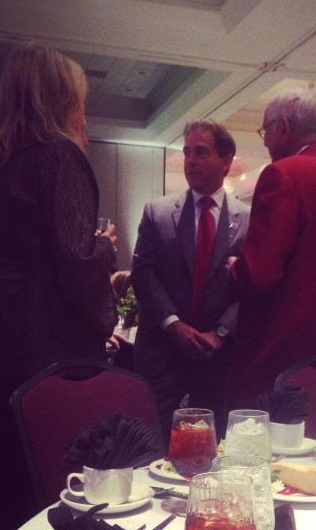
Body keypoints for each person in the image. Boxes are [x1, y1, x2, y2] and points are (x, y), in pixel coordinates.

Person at [0, 42, 118, 527]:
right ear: (61, 97)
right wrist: (105, 248)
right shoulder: (58, 156)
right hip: (54, 346)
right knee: (61, 487)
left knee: (8, 482)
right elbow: (75, 261)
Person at [227, 87, 316, 408]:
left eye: (266, 130)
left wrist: (233, 270)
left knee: (260, 431)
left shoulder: (282, 174)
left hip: (277, 343)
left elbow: (258, 273)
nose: (265, 141)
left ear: (284, 127)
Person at [131, 119, 250, 442]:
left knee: (211, 448)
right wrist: (173, 325)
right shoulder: (157, 213)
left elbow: (251, 286)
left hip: (218, 359)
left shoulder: (248, 220)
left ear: (226, 161)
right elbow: (143, 273)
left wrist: (221, 333)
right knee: (152, 443)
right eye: (186, 152)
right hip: (162, 354)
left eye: (201, 152)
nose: (190, 160)